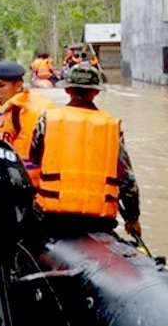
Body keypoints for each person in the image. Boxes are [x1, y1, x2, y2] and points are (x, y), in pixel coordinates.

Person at [29, 64, 141, 237]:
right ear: (96, 92)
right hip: (98, 220)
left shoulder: (47, 119)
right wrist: (132, 219)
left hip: (52, 216)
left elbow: (33, 158)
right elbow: (128, 181)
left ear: (67, 89)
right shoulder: (111, 126)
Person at [0, 61, 55, 177]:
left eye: (1, 85)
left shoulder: (25, 110)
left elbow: (32, 150)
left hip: (29, 180)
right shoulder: (17, 106)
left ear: (18, 86)